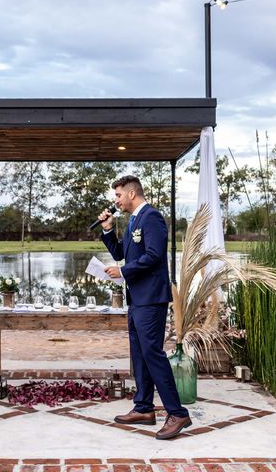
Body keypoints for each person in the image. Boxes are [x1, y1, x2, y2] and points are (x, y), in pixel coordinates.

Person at [98, 175, 191, 440]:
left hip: (151, 298)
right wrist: (107, 229)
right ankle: (144, 408)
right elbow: (120, 254)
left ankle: (177, 412)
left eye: (118, 195)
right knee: (139, 353)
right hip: (137, 298)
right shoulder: (132, 221)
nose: (115, 200)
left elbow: (154, 256)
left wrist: (123, 271)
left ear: (131, 194)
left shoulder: (151, 217)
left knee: (153, 354)